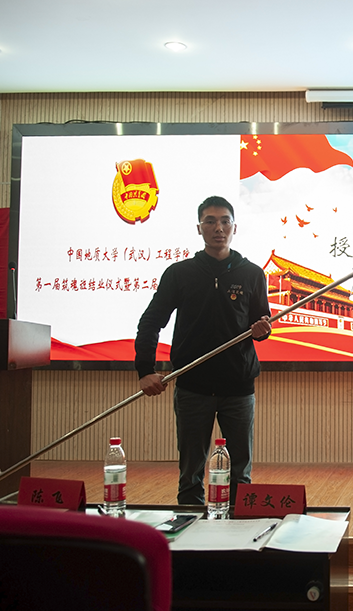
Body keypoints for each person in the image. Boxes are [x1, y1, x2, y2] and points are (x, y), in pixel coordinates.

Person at [135, 196, 272, 505]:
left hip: (238, 387)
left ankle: (238, 530)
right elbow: (151, 322)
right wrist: (144, 370)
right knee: (191, 473)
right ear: (199, 228)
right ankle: (190, 530)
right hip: (192, 386)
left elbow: (260, 325)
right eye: (210, 221)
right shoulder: (179, 273)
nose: (218, 228)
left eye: (225, 221)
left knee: (240, 473)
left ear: (234, 227)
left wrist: (263, 330)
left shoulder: (251, 273)